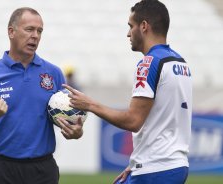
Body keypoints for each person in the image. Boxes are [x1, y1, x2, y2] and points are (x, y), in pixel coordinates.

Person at [62, 0, 192, 183]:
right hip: (174, 164)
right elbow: (165, 118)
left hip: (155, 169)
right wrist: (136, 162)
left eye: (131, 26)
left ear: (144, 26)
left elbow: (133, 120)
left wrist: (90, 104)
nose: (128, 33)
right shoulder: (181, 63)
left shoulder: (149, 63)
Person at [0, 7, 84, 184]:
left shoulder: (53, 73)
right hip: (1, 168)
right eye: (29, 29)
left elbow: (70, 120)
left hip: (43, 169)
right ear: (11, 32)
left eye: (39, 31)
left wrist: (76, 130)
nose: (35, 35)